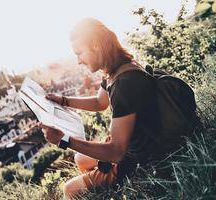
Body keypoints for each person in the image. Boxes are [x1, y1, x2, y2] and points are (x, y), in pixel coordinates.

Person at [38, 18, 161, 199]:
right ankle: (107, 190)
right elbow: (99, 102)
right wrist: (63, 100)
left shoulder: (124, 83)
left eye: (80, 53)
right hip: (136, 145)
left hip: (140, 159)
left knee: (70, 190)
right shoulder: (116, 68)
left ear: (96, 46)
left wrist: (63, 140)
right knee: (80, 158)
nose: (78, 60)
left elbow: (116, 152)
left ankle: (115, 185)